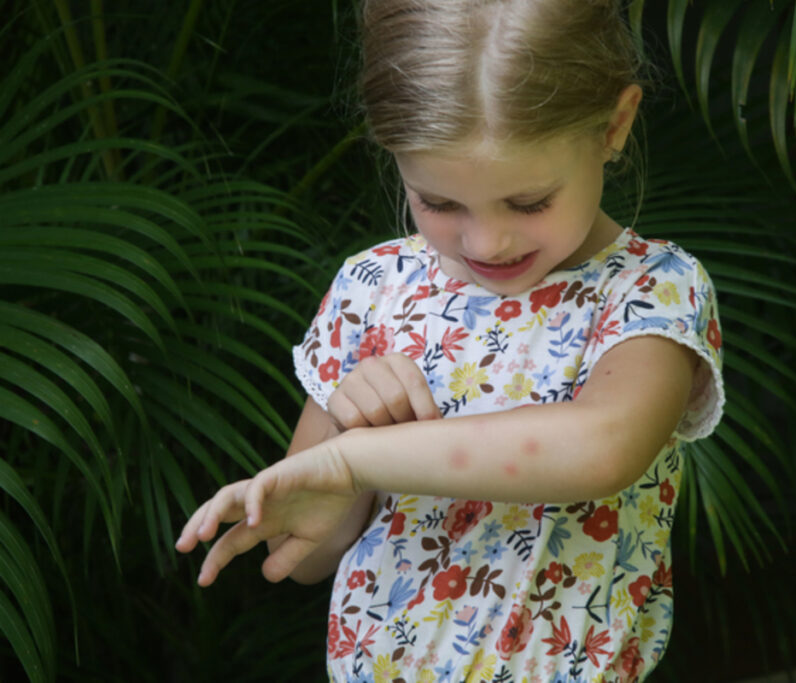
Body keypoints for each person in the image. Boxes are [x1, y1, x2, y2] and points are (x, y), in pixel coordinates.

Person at [176, 0, 725, 680]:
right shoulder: (373, 286)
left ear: (614, 124)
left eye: (528, 202)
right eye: (439, 203)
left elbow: (603, 446)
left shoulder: (652, 289)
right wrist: (347, 439)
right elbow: (302, 551)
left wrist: (360, 457)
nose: (486, 241)